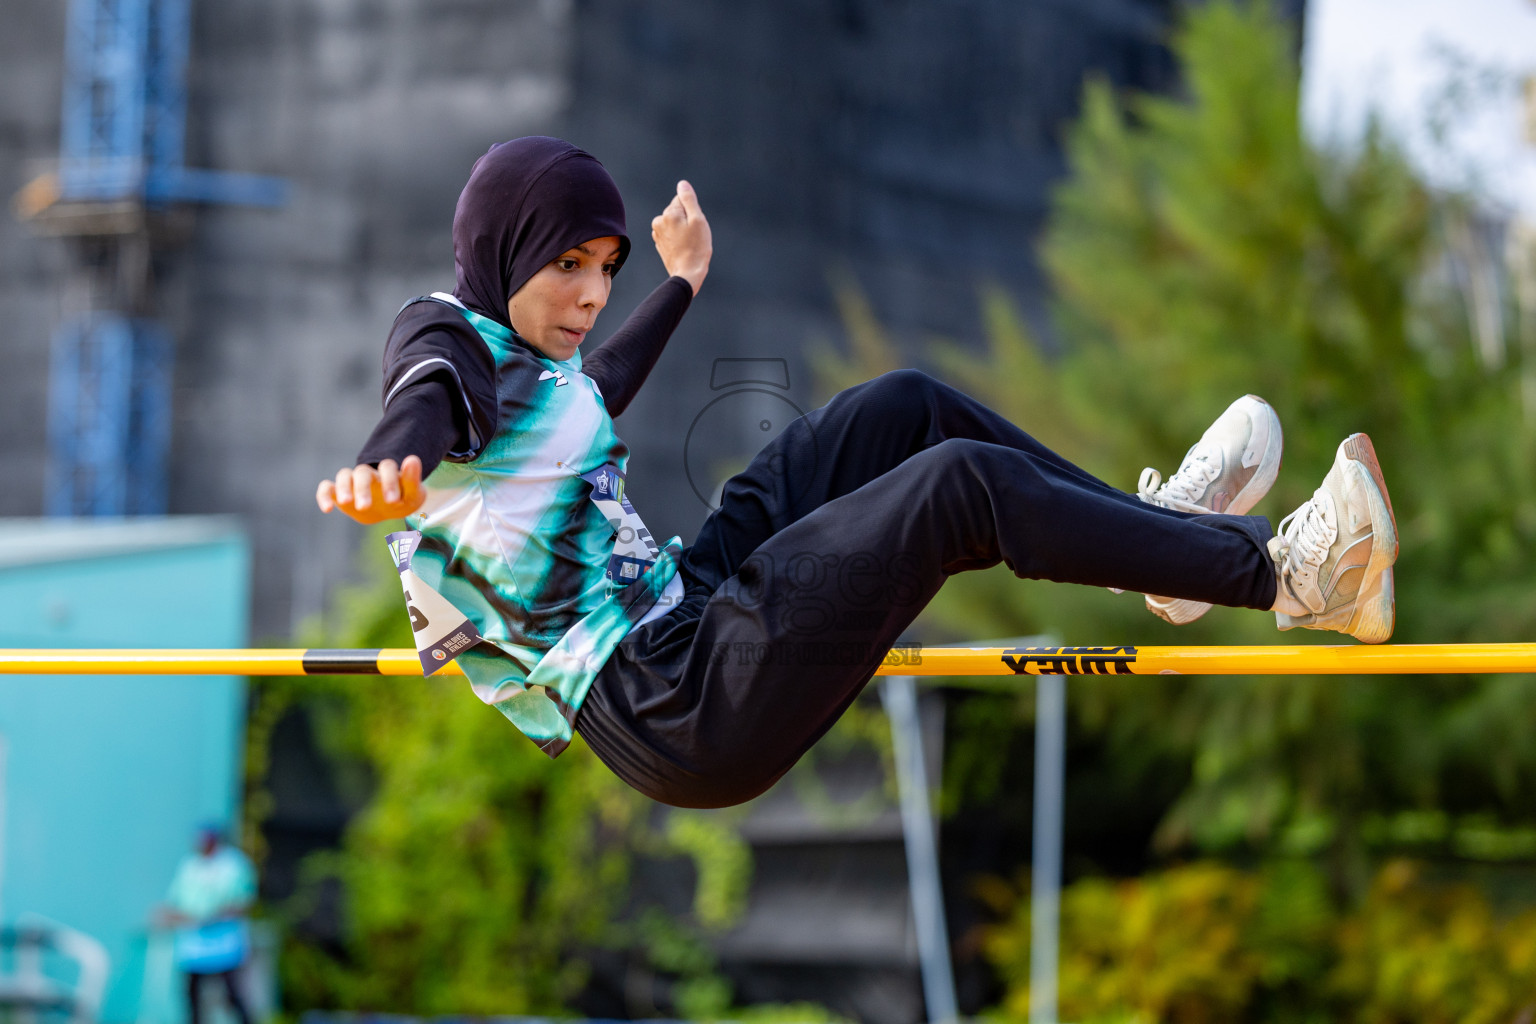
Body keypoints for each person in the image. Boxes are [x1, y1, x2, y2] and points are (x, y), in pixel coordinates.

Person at [315, 136, 1398, 809]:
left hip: (684, 604)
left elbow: (599, 383)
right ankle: (1289, 578)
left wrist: (682, 284)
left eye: (606, 268)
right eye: (568, 267)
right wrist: (385, 466)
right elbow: (424, 397)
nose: (593, 294)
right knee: (958, 486)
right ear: (501, 252)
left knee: (903, 408)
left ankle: (1157, 553)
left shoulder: (546, 380)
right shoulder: (449, 344)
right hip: (673, 702)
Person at [158, 826, 257, 1024]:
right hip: (194, 946)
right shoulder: (190, 865)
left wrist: (211, 917)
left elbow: (243, 902)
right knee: (192, 998)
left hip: (224, 945)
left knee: (233, 996)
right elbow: (175, 901)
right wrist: (170, 916)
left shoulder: (233, 864)